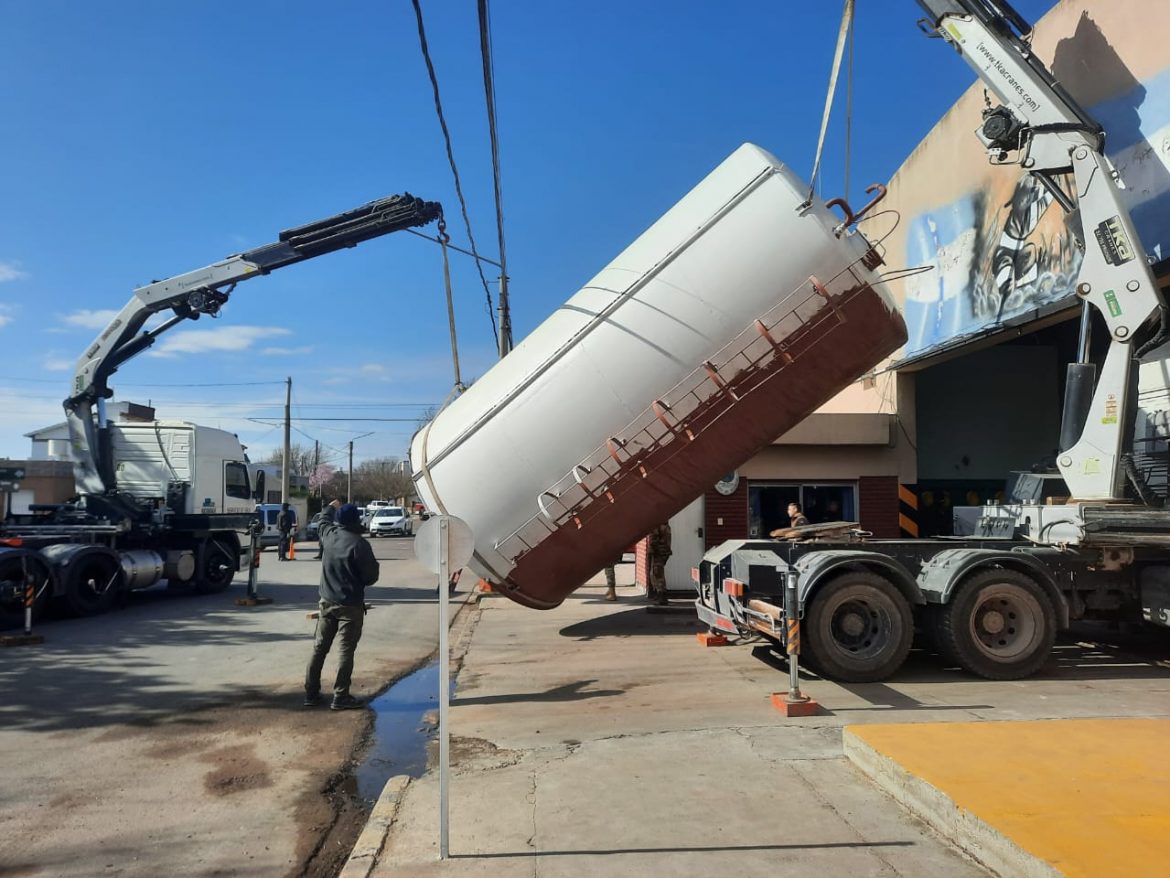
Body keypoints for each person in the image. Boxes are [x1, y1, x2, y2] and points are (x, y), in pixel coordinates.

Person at [304, 500, 380, 710]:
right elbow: (371, 577)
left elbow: (323, 520)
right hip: (350, 605)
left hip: (326, 602)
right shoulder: (359, 544)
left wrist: (330, 506)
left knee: (319, 648)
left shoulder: (328, 535)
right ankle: (341, 696)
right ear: (356, 520)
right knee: (345, 650)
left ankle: (311, 694)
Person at [648, 522, 672, 605]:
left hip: (658, 552)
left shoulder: (658, 526)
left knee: (657, 574)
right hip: (664, 552)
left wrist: (651, 550)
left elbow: (653, 540)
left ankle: (661, 597)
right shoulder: (666, 526)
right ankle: (660, 595)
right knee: (658, 573)